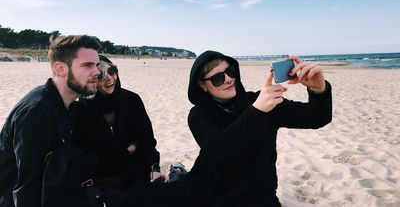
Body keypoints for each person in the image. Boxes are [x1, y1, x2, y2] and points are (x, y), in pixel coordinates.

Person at [122, 50, 332, 207]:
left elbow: (317, 117)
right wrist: (257, 110)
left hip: (259, 196)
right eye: (217, 77)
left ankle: (178, 173)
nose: (229, 79)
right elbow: (220, 150)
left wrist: (318, 89)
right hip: (209, 191)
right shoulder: (199, 115)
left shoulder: (262, 101)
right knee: (137, 194)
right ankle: (179, 174)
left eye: (230, 71)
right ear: (203, 85)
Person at [0, 35, 101, 207]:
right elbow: (26, 187)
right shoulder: (37, 112)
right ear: (60, 69)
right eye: (87, 65)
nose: (97, 72)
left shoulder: (66, 103)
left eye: (97, 65)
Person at [71, 55, 160, 205]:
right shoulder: (81, 109)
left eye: (112, 72)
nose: (110, 79)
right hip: (101, 182)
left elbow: (147, 142)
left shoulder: (132, 101)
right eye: (101, 76)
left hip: (136, 176)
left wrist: (154, 169)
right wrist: (127, 151)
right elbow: (85, 155)